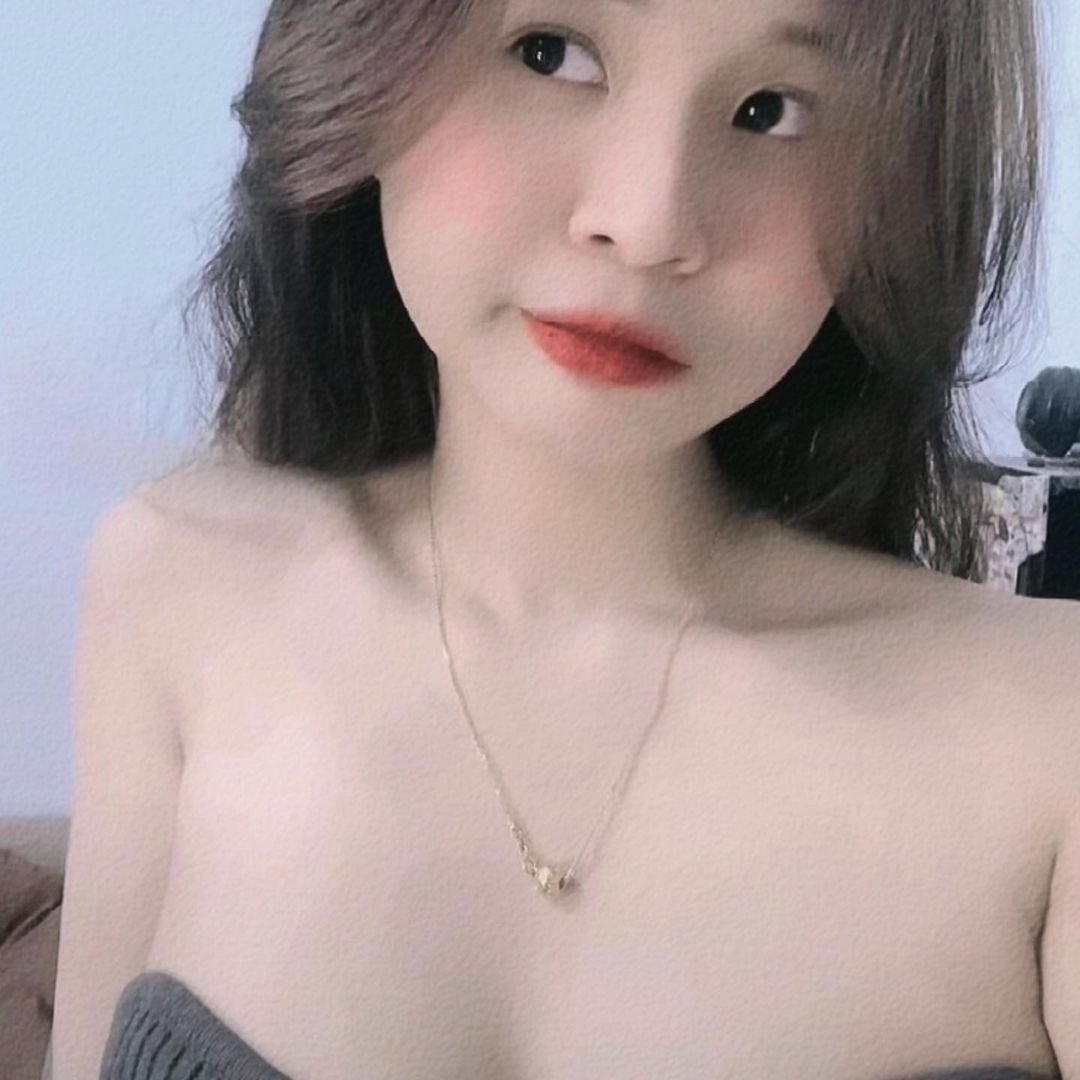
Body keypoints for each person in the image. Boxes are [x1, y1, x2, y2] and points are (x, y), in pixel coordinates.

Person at [49, 0, 1080, 1077]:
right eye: (551, 53)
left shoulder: (1049, 737)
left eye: (772, 111)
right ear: (361, 57)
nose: (645, 223)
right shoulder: (177, 586)